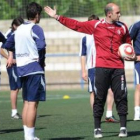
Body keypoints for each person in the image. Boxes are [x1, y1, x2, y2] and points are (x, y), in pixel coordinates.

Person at [44, 3, 134, 138]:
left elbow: (127, 45)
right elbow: (76, 25)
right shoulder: (96, 25)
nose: (120, 15)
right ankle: (97, 128)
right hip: (101, 67)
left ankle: (123, 127)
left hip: (118, 68)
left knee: (121, 97)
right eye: (118, 12)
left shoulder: (123, 27)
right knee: (99, 98)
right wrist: (57, 17)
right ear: (109, 14)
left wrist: (129, 54)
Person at [4, 2, 46, 140]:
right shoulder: (36, 28)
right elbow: (41, 46)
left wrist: (12, 55)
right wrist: (39, 59)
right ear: (37, 15)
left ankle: (28, 136)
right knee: (33, 104)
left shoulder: (19, 29)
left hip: (21, 69)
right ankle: (30, 136)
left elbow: (8, 44)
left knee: (27, 103)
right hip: (33, 68)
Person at [80, 14, 119, 123]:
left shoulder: (104, 33)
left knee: (111, 90)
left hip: (106, 65)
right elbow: (83, 55)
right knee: (93, 92)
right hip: (92, 68)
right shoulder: (85, 38)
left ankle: (109, 114)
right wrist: (83, 71)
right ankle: (96, 116)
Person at [4, 17, 24, 119]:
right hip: (12, 65)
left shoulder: (21, 34)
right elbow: (1, 48)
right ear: (14, 26)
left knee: (23, 86)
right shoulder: (9, 35)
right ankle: (14, 112)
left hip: (20, 63)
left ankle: (27, 110)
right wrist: (10, 58)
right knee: (15, 88)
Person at [129, 21, 140, 121]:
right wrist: (133, 56)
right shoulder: (136, 26)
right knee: (139, 86)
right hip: (139, 63)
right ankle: (137, 112)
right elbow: (125, 42)